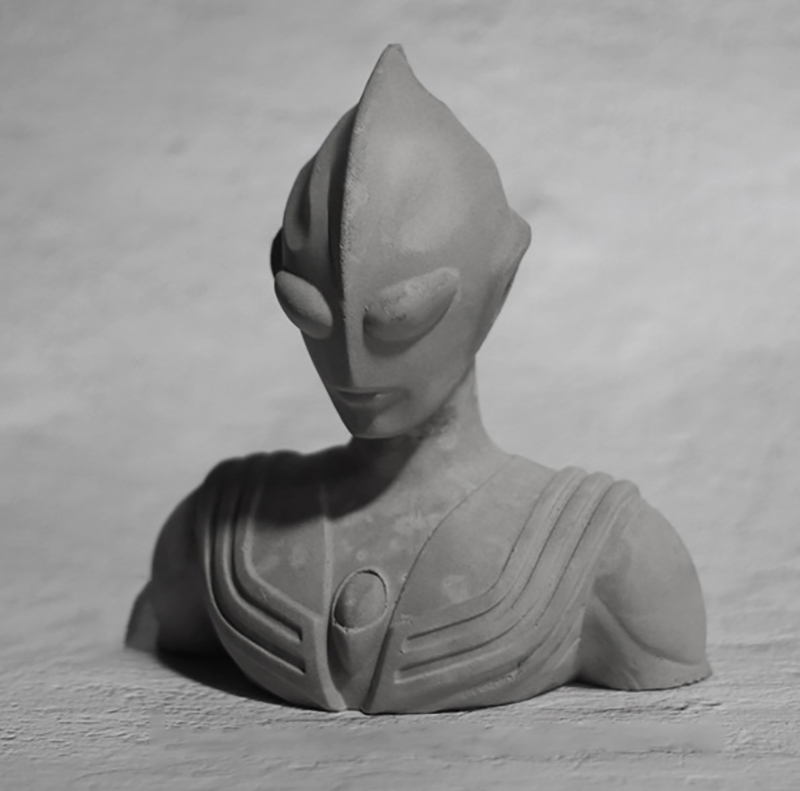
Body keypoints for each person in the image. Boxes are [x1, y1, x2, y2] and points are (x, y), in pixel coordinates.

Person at [142, 45, 710, 713]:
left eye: (399, 321)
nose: (351, 365)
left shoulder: (613, 555)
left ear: (499, 281)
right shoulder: (217, 532)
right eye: (310, 316)